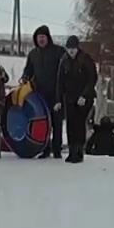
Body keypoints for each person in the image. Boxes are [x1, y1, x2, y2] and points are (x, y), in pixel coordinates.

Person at [21, 26, 67, 158]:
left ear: (48, 38)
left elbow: (66, 67)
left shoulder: (58, 51)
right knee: (44, 123)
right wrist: (25, 77)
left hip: (56, 93)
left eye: (43, 37)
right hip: (39, 94)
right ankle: (45, 149)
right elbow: (28, 70)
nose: (41, 39)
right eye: (38, 37)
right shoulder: (33, 54)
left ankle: (57, 150)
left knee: (56, 122)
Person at [57, 36, 99, 163]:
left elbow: (92, 79)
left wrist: (85, 95)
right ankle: (72, 151)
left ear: (77, 48)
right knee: (70, 124)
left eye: (73, 49)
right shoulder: (64, 60)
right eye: (69, 49)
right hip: (69, 97)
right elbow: (60, 81)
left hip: (83, 98)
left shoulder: (85, 59)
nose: (71, 52)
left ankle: (79, 152)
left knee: (79, 124)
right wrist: (58, 99)